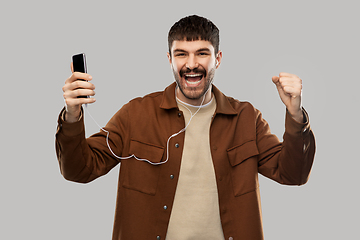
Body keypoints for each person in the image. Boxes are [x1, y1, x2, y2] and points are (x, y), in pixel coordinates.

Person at [56, 15, 315, 240]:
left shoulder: (247, 118)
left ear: (218, 59)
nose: (191, 64)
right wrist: (72, 113)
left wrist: (294, 112)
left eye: (202, 53)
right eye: (182, 54)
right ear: (170, 59)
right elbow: (80, 170)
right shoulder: (136, 114)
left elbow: (294, 174)